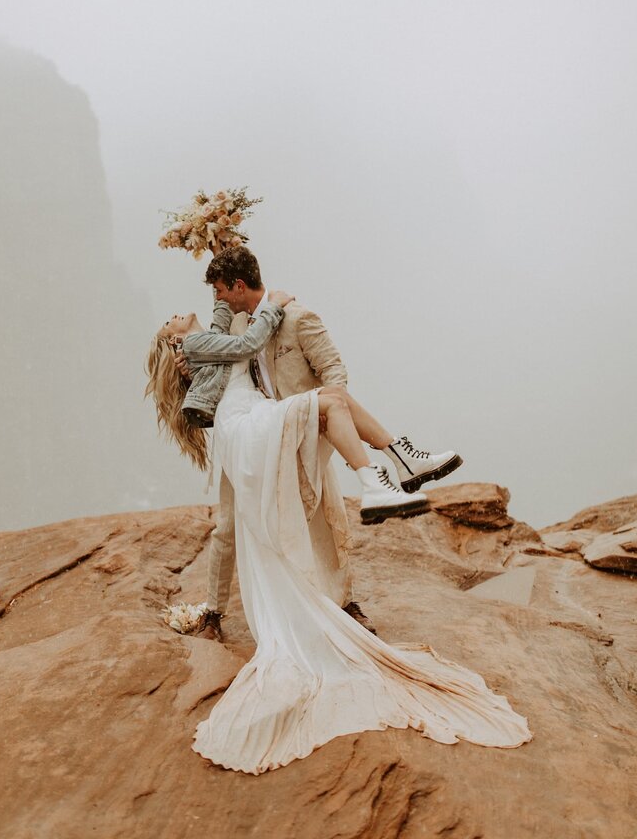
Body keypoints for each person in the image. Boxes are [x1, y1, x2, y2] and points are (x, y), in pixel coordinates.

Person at [146, 280, 531, 774]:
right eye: (169, 322)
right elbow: (241, 341)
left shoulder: (215, 327)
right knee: (329, 402)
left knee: (333, 398)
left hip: (256, 417)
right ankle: (382, 476)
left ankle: (399, 460)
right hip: (246, 427)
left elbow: (231, 304)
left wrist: (226, 252)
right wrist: (275, 305)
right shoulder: (201, 346)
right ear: (175, 342)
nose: (176, 313)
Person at [185, 247, 461, 642]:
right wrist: (186, 361)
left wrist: (325, 417)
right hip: (256, 433)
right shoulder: (242, 327)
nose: (218, 300)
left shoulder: (298, 317)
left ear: (239, 286)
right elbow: (217, 362)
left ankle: (346, 602)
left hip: (302, 428)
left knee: (329, 519)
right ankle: (214, 611)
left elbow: (335, 372)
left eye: (221, 291)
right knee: (227, 524)